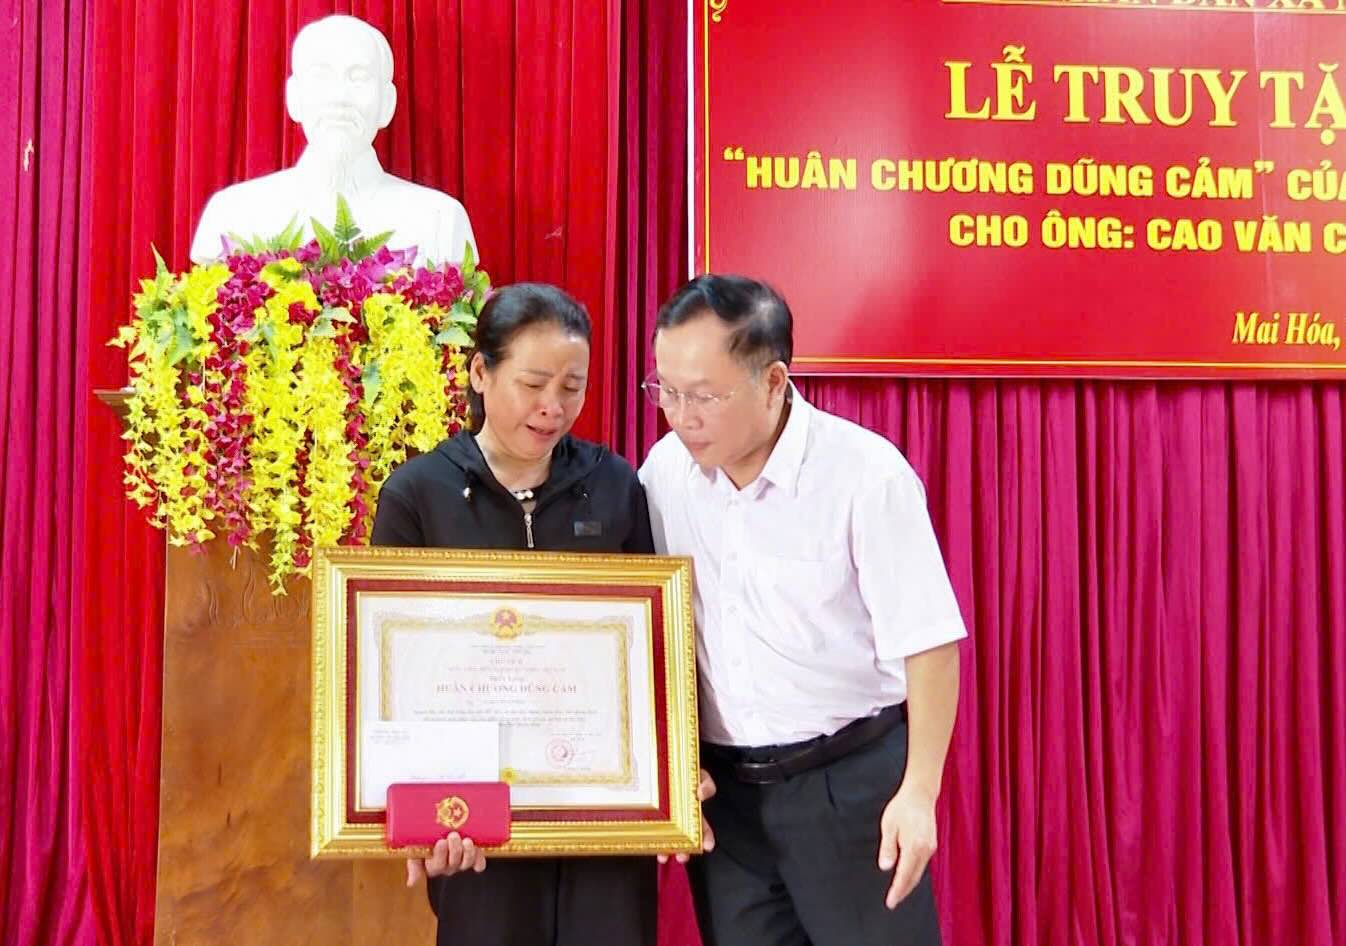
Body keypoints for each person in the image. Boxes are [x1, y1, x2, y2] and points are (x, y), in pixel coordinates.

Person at [638, 274, 966, 946]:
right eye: (665, 389)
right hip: (729, 801)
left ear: (773, 380)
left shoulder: (865, 475)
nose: (680, 414)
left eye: (703, 395)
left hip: (848, 787)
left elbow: (929, 643)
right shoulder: (663, 473)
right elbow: (653, 624)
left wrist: (919, 794)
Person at [371, 282, 656, 946]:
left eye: (572, 386)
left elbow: (652, 647)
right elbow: (392, 674)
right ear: (479, 371)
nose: (553, 407)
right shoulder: (417, 495)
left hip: (600, 808)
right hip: (474, 814)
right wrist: (415, 815)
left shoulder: (615, 484)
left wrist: (670, 768)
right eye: (532, 383)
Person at [190, 15, 475, 266]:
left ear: (387, 103)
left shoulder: (441, 220)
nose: (340, 97)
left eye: (358, 77)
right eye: (321, 76)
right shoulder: (232, 212)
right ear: (294, 98)